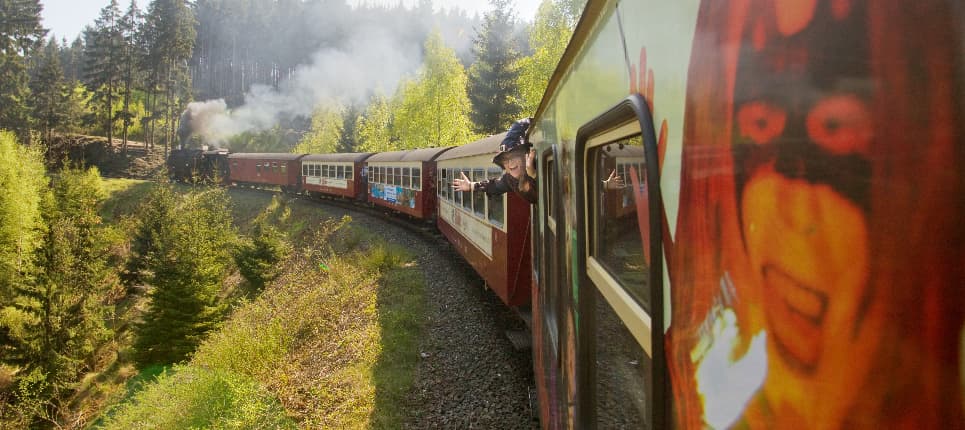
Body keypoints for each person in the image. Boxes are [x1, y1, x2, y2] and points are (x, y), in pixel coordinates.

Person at [452, 118, 538, 204]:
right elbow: (494, 186)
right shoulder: (510, 180)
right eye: (505, 159)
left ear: (525, 155)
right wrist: (471, 185)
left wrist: (535, 176)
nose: (510, 163)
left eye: (514, 156)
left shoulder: (538, 167)